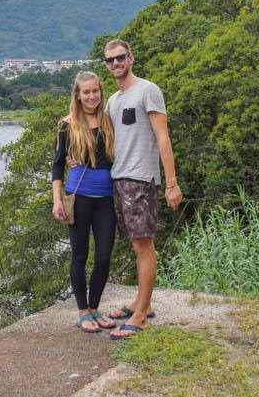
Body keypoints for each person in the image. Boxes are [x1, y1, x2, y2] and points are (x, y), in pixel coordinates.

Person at [102, 39, 181, 340]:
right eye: (110, 60)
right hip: (119, 178)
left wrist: (171, 183)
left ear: (131, 58)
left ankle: (142, 316)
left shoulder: (148, 90)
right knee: (135, 244)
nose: (115, 64)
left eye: (120, 58)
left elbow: (163, 138)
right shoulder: (113, 100)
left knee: (143, 246)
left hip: (141, 180)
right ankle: (140, 303)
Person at [52, 71, 118, 333]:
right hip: (78, 197)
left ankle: (94, 307)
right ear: (77, 96)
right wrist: (57, 201)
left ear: (101, 92)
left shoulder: (109, 122)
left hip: (106, 198)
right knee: (79, 255)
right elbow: (57, 166)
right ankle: (83, 312)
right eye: (86, 92)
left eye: (95, 91)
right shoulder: (66, 125)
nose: (91, 96)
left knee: (103, 257)